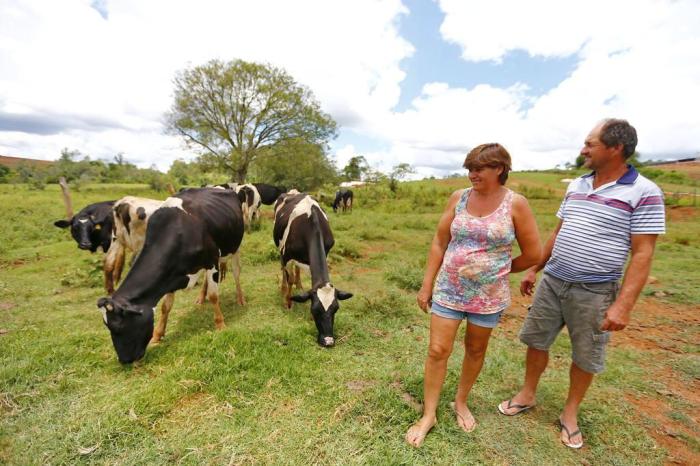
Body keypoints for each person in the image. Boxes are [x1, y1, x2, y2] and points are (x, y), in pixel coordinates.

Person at [498, 119, 666, 449]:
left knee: (585, 355)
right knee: (536, 340)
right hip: (553, 282)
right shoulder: (577, 184)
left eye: (590, 144)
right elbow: (559, 232)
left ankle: (570, 413)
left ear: (616, 148)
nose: (583, 150)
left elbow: (643, 253)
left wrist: (622, 306)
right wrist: (535, 268)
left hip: (595, 291)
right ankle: (528, 393)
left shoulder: (644, 191)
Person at [405, 143, 542, 447]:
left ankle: (461, 401)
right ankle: (428, 414)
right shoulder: (459, 198)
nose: (472, 174)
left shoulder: (515, 204)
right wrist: (427, 284)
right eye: (469, 168)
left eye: (479, 168)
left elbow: (533, 253)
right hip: (449, 290)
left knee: (475, 350)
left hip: (488, 298)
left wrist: (500, 270)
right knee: (438, 350)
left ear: (500, 169)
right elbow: (440, 242)